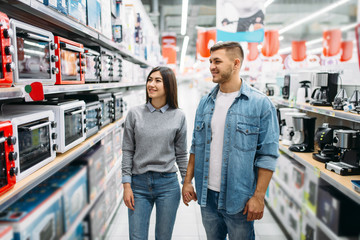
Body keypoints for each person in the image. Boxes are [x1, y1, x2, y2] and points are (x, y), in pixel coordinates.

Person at [182, 41, 279, 240]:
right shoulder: (205, 102)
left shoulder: (260, 104)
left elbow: (267, 155)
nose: (211, 66)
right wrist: (187, 181)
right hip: (206, 197)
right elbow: (196, 146)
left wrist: (259, 197)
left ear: (236, 64)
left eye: (217, 61)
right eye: (210, 61)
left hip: (240, 199)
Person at [122, 66, 188, 240]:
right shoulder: (134, 114)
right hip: (138, 185)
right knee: (137, 237)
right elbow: (128, 150)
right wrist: (126, 185)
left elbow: (181, 154)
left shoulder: (179, 116)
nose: (151, 84)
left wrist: (186, 181)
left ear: (169, 86)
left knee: (163, 237)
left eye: (158, 81)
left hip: (167, 185)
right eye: (150, 80)